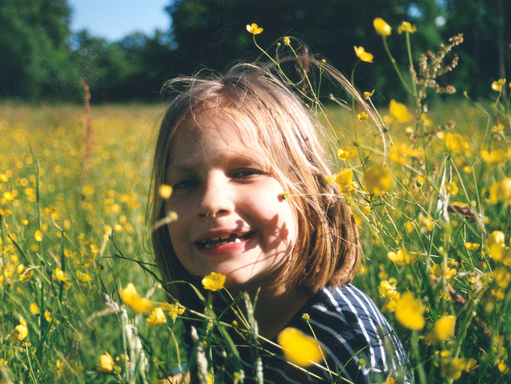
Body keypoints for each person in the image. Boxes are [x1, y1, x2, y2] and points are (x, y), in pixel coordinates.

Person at [148, 58, 408, 383]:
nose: (210, 203)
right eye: (186, 183)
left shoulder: (346, 339)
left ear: (308, 194)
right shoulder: (214, 316)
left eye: (245, 172)